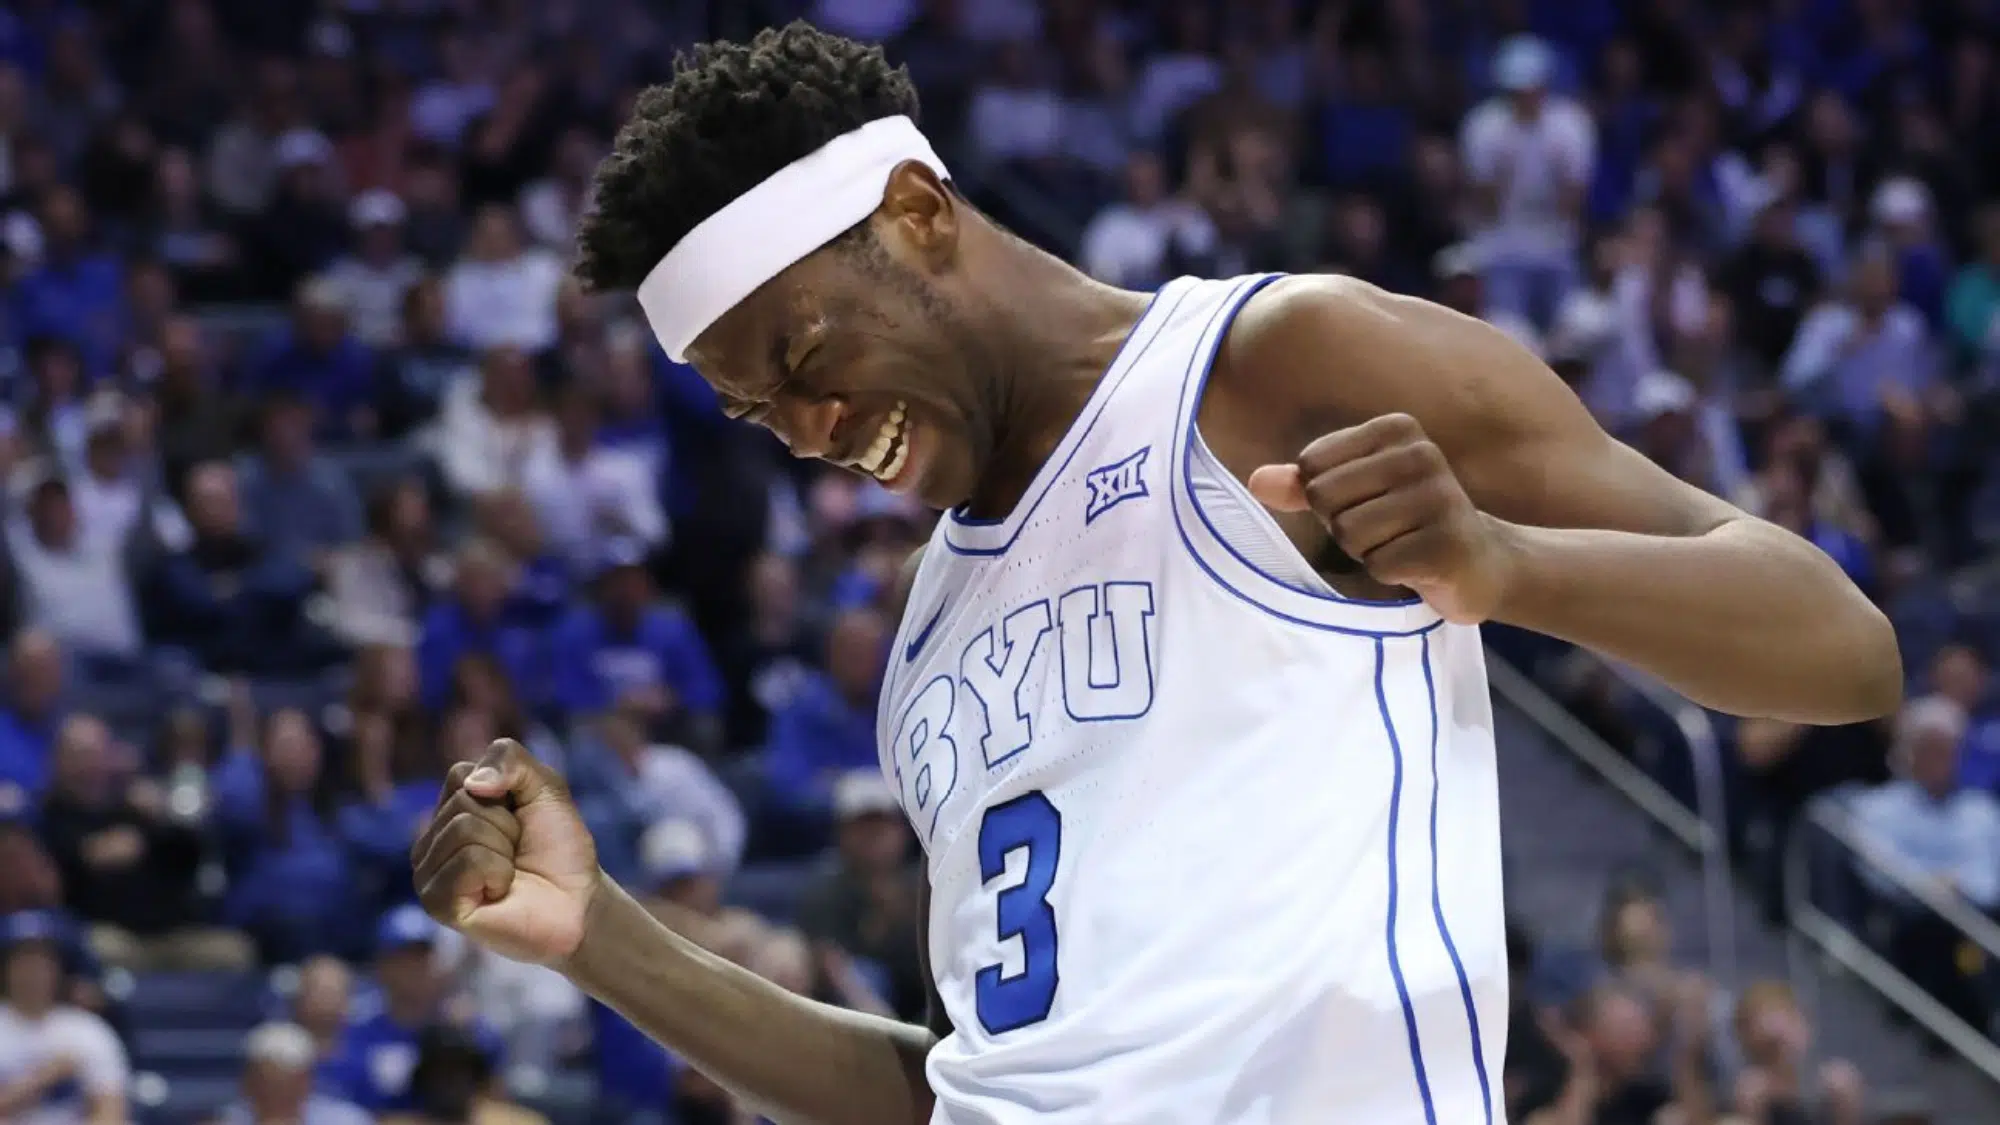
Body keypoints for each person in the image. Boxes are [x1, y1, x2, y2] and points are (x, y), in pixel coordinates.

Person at [411, 23, 1899, 1125]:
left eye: (807, 355)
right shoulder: (926, 643)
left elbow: (1838, 650)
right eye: (757, 411)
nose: (808, 430)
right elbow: (965, 1090)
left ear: (921, 215)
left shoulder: (1269, 366)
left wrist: (1506, 567)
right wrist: (601, 940)